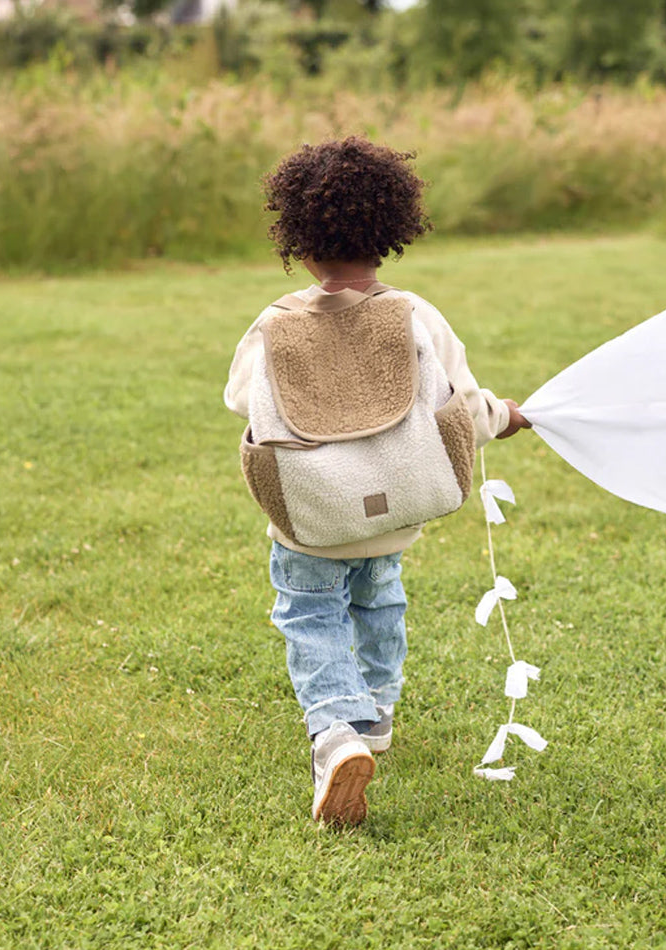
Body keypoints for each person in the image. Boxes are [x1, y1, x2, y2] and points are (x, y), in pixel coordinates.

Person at [224, 137, 530, 826]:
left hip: (309, 515)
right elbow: (464, 404)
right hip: (398, 505)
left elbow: (240, 399)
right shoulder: (416, 316)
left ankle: (336, 734)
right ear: (390, 235)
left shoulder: (275, 325)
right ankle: (378, 711)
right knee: (380, 597)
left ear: (299, 243)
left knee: (310, 614)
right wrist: (507, 418)